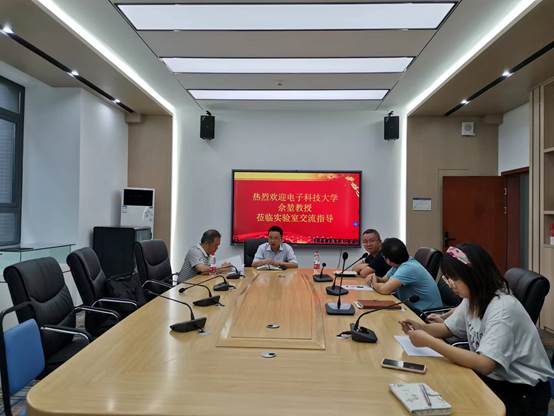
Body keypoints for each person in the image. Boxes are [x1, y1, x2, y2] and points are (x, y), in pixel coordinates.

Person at [399, 244, 554, 416]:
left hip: (522, 392)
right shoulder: (473, 297)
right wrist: (421, 327)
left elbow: (485, 364)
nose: (450, 284)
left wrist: (430, 342)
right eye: (448, 278)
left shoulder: (503, 308)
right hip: (495, 380)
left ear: (473, 275)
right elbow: (447, 329)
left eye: (454, 278)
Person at [369, 238, 442, 311]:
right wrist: (376, 278)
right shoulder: (401, 263)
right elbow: (385, 280)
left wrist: (374, 283)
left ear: (387, 260)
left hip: (428, 313)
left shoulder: (408, 268)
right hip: (412, 308)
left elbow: (384, 289)